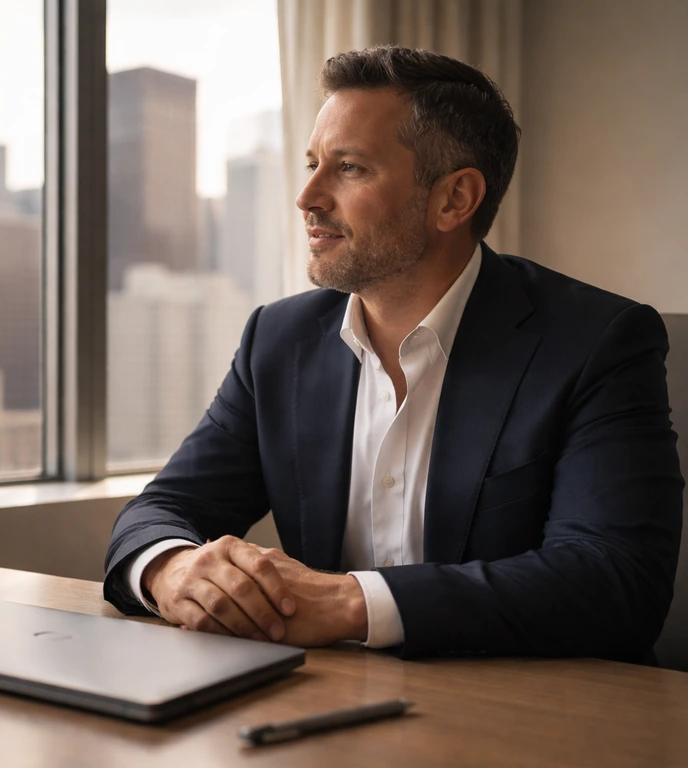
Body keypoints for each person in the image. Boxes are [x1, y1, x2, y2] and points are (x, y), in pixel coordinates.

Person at [103, 45, 683, 659]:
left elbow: (616, 582)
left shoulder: (597, 342)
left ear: (454, 200)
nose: (307, 197)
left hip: (529, 719)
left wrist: (351, 602)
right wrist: (171, 568)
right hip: (328, 714)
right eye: (312, 163)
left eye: (349, 167)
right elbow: (163, 509)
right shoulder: (277, 341)